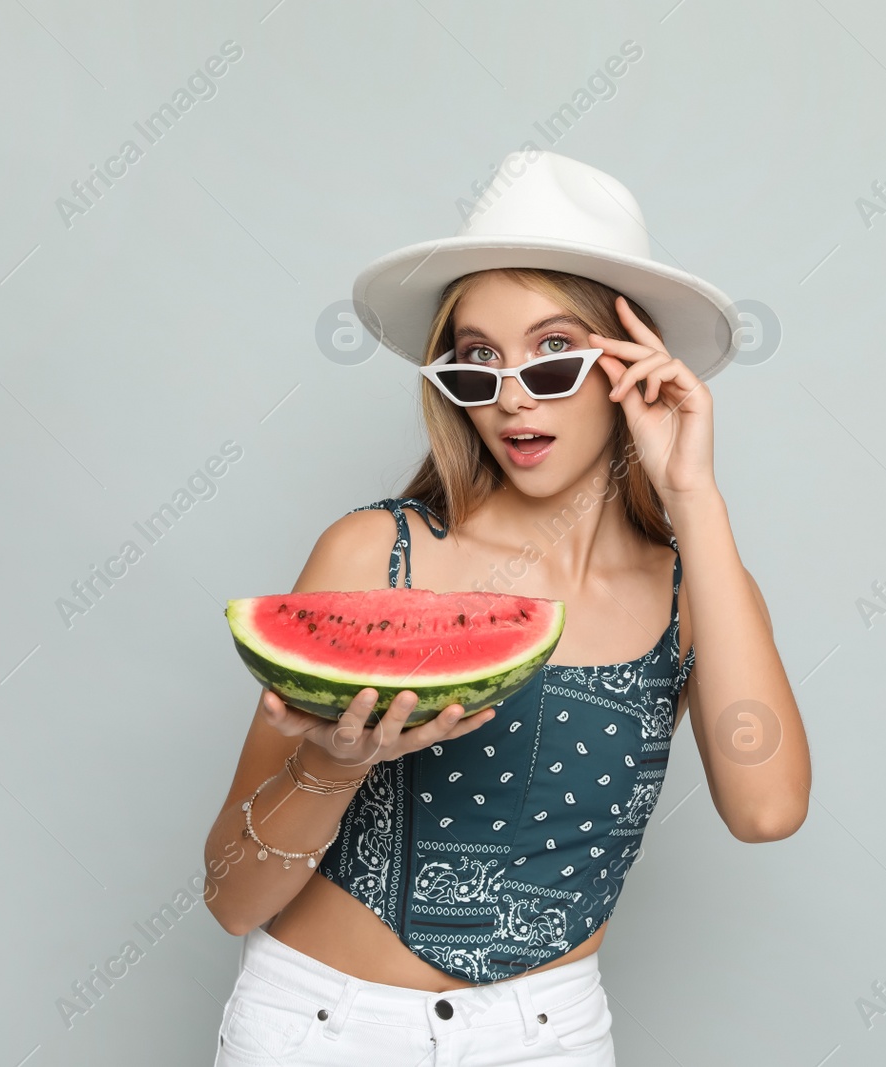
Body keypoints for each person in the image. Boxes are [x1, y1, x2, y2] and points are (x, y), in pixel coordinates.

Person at [203, 150, 809, 1065]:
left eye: (555, 352)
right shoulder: (374, 554)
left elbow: (767, 810)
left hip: (548, 1040)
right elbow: (230, 897)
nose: (514, 395)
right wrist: (330, 768)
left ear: (630, 362)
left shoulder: (695, 589)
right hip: (321, 1029)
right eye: (479, 361)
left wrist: (695, 498)